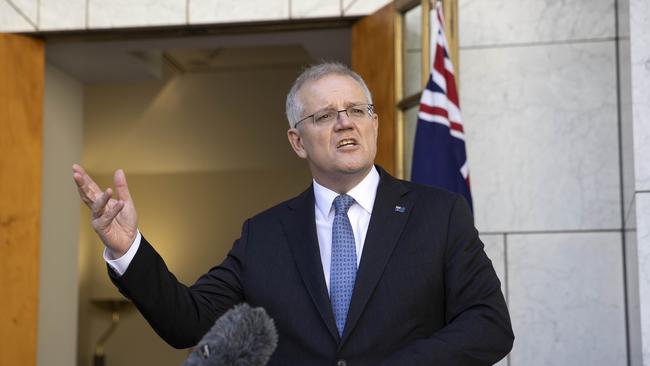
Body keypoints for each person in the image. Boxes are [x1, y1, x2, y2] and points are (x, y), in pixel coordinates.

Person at [73, 62, 513, 365]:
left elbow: (489, 325)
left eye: (356, 110)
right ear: (297, 141)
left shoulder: (439, 214)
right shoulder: (265, 234)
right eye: (324, 115)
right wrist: (126, 247)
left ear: (374, 124)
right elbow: (187, 321)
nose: (345, 123)